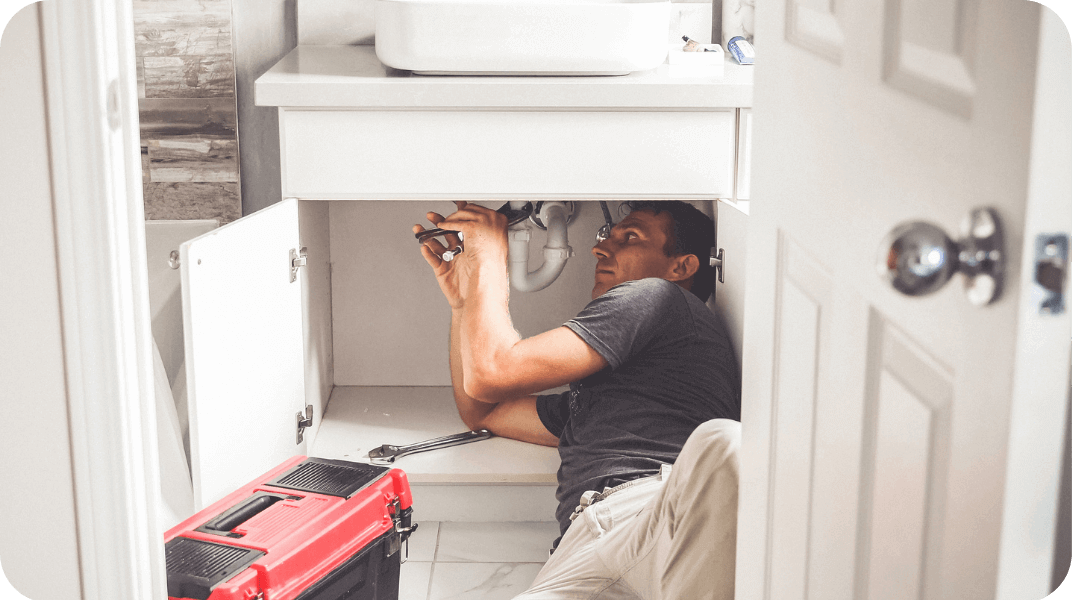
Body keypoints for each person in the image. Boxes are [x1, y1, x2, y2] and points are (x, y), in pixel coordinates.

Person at [414, 200, 742, 600]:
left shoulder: (657, 296)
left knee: (726, 443)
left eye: (631, 236)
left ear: (682, 267)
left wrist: (490, 258)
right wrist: (463, 302)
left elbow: (491, 375)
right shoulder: (597, 400)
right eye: (610, 235)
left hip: (656, 516)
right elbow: (482, 408)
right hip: (581, 545)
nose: (600, 248)